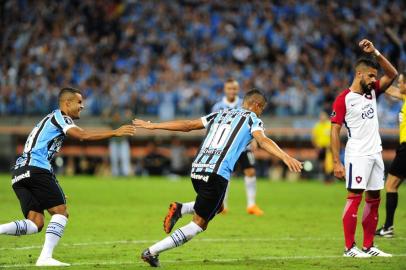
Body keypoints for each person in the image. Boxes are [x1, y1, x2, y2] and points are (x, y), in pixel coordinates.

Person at [133, 89, 303, 267]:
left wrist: (154, 126)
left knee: (218, 206)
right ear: (257, 105)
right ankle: (151, 252)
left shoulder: (220, 113)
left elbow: (188, 125)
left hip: (197, 169)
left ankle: (180, 209)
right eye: (262, 109)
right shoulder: (253, 118)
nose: (261, 113)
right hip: (216, 173)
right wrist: (285, 156)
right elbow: (262, 140)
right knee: (198, 225)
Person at [0, 87, 136, 266]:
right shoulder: (61, 117)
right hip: (35, 169)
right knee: (61, 212)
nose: (82, 106)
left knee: (35, 223)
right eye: (79, 102)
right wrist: (114, 132)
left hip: (19, 173)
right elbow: (83, 135)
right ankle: (45, 258)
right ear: (67, 103)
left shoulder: (48, 120)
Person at [330, 39, 398, 258]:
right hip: (357, 155)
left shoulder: (372, 92)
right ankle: (350, 248)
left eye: (375, 77)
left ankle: (369, 246)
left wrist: (376, 52)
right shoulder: (343, 100)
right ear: (359, 74)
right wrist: (336, 162)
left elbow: (393, 74)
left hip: (375, 153)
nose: (374, 80)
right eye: (370, 75)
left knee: (374, 199)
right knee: (354, 198)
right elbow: (334, 131)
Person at [212, 78, 263, 216]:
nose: (232, 91)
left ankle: (251, 205)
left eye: (234, 88)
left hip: (243, 146)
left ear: (238, 89)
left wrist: (254, 140)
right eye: (229, 88)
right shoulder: (218, 107)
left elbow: (252, 122)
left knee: (250, 172)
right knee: (225, 174)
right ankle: (223, 205)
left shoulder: (244, 105)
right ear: (225, 89)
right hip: (226, 147)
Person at [375, 74, 406, 237]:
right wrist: (376, 83)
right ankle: (388, 227)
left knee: (390, 185)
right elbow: (391, 90)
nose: (399, 84)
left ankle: (388, 227)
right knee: (392, 185)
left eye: (401, 82)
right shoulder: (404, 96)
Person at [311, 110, 333, 183]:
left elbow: (334, 136)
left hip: (329, 147)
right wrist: (316, 147)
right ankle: (325, 177)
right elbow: (314, 138)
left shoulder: (330, 125)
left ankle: (329, 178)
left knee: (329, 163)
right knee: (322, 163)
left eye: (323, 116)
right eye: (321, 116)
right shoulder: (317, 126)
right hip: (321, 147)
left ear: (326, 117)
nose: (322, 117)